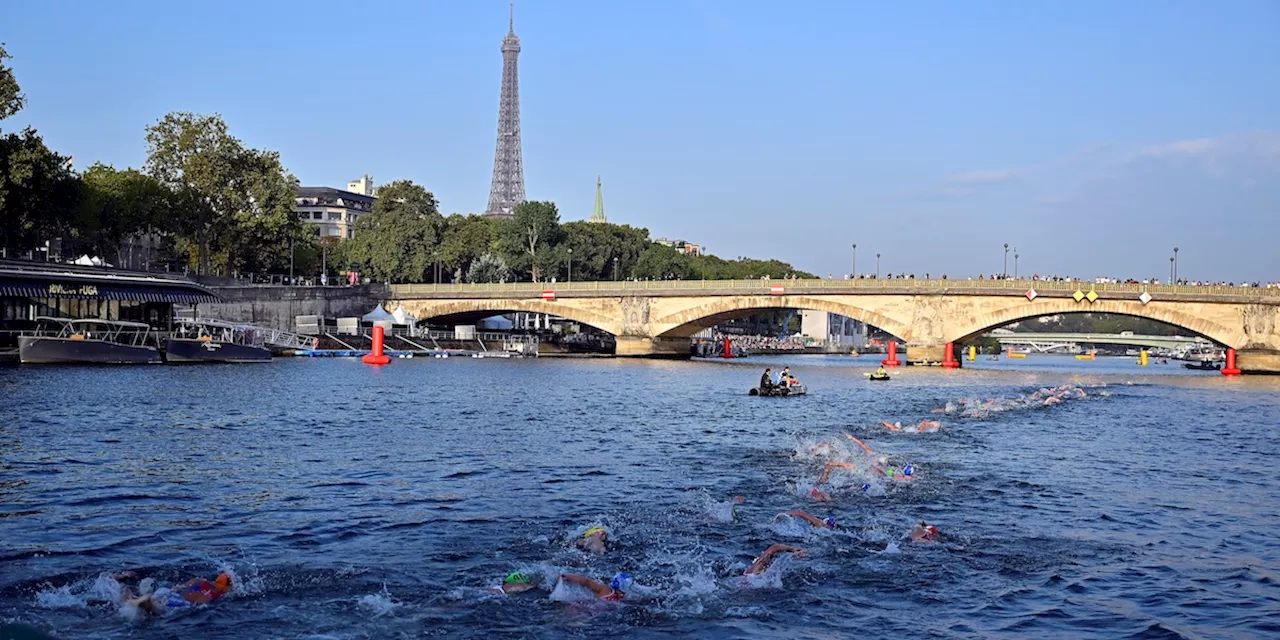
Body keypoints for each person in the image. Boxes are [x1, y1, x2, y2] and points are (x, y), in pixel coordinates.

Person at [118, 571, 233, 616]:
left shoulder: (199, 580)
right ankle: (146, 603)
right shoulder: (217, 595)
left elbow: (178, 587)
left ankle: (129, 594)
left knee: (158, 598)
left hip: (167, 592)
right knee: (156, 610)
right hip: (180, 602)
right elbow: (198, 604)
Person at [557, 573, 631, 601]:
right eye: (621, 592)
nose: (621, 595)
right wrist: (568, 577)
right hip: (586, 609)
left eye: (623, 593)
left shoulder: (625, 597)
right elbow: (586, 582)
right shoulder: (605, 589)